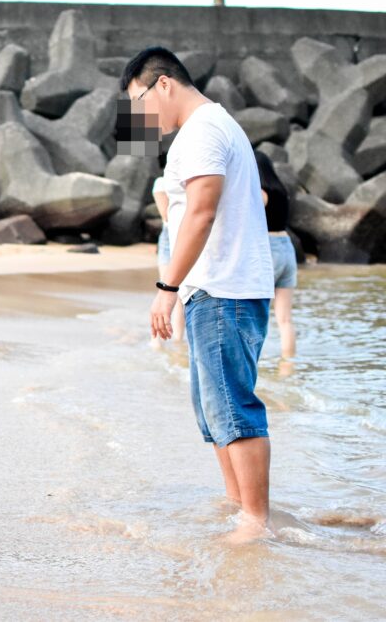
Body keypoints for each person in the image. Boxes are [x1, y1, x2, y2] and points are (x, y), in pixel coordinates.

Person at [121, 47, 275, 542]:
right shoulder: (201, 132)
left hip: (223, 287)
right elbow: (183, 207)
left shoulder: (204, 130)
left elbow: (203, 212)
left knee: (232, 406)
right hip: (213, 288)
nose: (140, 119)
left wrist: (166, 288)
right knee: (213, 413)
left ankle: (255, 521)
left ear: (161, 85)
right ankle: (239, 507)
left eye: (137, 104)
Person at [255, 150, 297, 360]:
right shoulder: (282, 191)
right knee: (285, 319)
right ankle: (288, 364)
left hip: (268, 247)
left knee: (256, 315)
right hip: (287, 247)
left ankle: (255, 362)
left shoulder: (261, 192)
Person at [151, 174, 185, 342]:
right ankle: (157, 340)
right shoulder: (161, 182)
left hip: (187, 236)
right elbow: (166, 214)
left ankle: (178, 339)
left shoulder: (192, 179)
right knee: (166, 286)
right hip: (169, 236)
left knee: (182, 293)